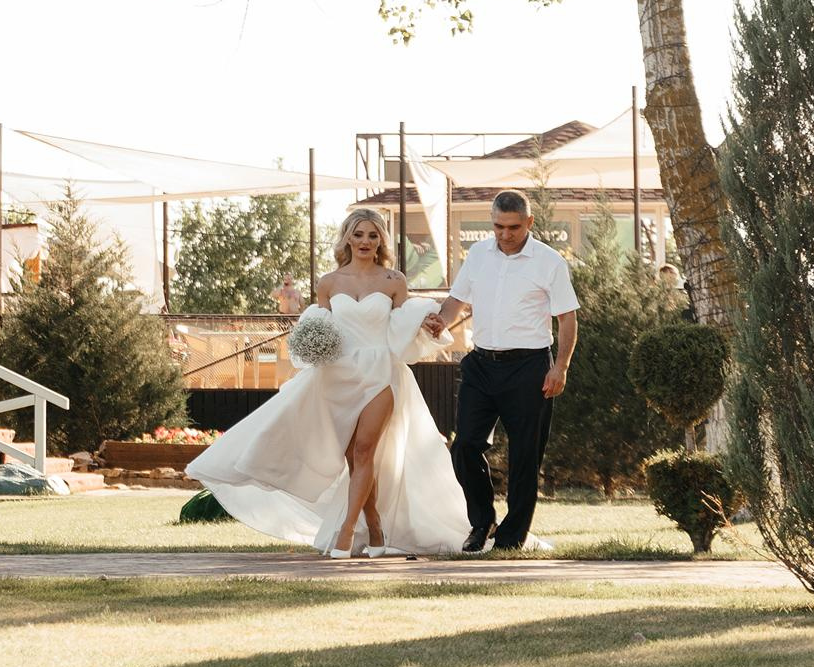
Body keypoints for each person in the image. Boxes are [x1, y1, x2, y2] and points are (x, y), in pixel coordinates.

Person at [187, 208, 471, 557]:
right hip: (339, 376)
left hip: (381, 371)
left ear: (380, 239)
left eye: (372, 235)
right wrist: (311, 343)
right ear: (347, 238)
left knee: (366, 449)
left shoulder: (392, 280)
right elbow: (321, 326)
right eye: (358, 234)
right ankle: (376, 526)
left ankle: (346, 532)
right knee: (354, 457)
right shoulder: (329, 282)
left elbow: (400, 324)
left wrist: (425, 320)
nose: (365, 241)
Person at [423, 190, 578, 552]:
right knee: (464, 447)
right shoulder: (478, 254)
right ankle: (482, 522)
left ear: (529, 223)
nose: (505, 234)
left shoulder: (549, 261)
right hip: (481, 364)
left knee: (525, 455)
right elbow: (455, 300)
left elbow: (567, 319)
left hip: (530, 367)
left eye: (513, 227)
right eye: (498, 226)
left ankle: (511, 538)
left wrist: (561, 367)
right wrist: (440, 321)